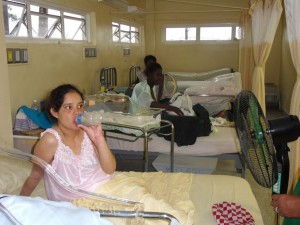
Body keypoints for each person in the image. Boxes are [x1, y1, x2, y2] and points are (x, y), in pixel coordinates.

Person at [20, 84, 116, 201]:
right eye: (68, 107)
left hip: (105, 186)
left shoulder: (88, 131)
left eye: (80, 106)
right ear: (55, 112)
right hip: (77, 202)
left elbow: (110, 169)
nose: (77, 112)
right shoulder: (50, 140)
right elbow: (35, 175)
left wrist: (99, 138)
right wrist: (18, 202)